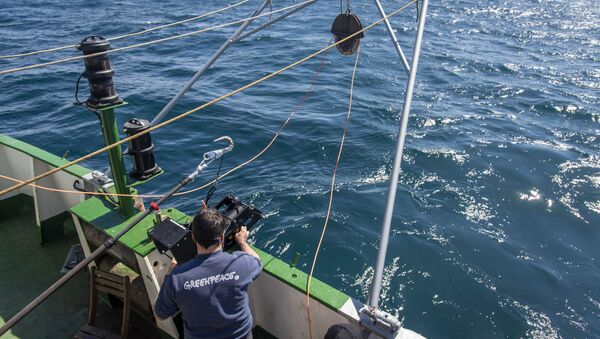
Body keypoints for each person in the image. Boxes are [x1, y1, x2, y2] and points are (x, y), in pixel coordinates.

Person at [154, 208, 262, 339]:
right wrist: (242, 242)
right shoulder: (241, 264)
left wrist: (171, 271)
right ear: (222, 236)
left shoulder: (177, 278)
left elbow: (160, 315)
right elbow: (256, 260)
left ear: (193, 236)